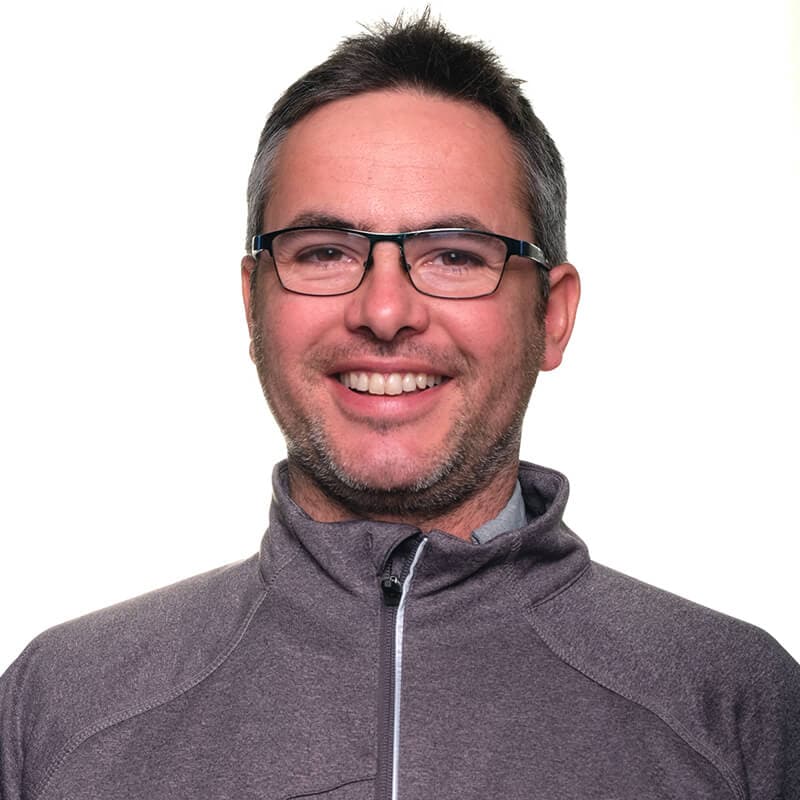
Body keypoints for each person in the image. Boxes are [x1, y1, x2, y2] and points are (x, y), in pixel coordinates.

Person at [1, 11, 798, 800]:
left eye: (455, 255)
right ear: (253, 306)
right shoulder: (61, 709)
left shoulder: (738, 707)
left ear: (551, 317)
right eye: (325, 251)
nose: (385, 312)